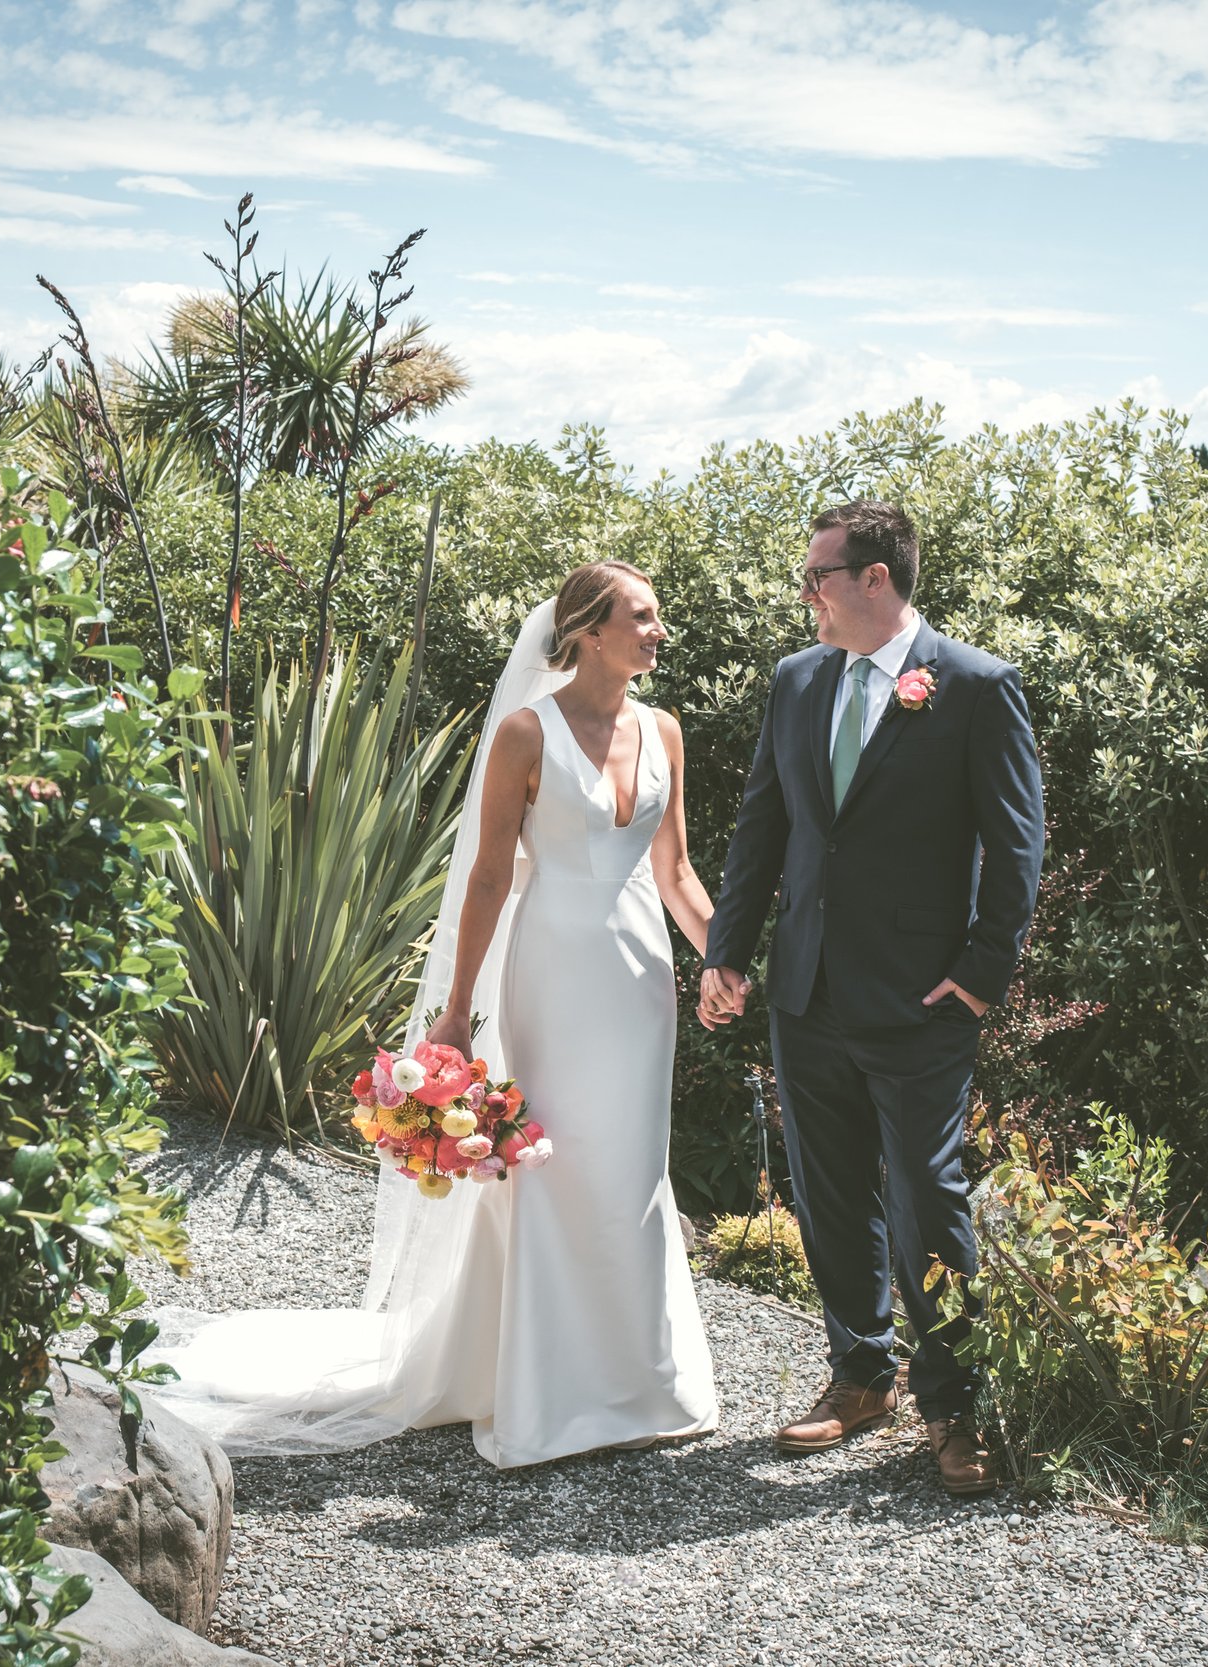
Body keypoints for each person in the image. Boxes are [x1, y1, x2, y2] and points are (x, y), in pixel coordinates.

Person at [147, 561, 719, 1467]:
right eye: (641, 616)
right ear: (586, 631)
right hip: (553, 979)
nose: (658, 631)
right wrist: (456, 1011)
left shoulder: (665, 730)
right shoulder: (527, 734)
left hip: (641, 984)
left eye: (656, 616)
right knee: (552, 1166)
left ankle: (642, 1383)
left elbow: (676, 871)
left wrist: (717, 959)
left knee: (634, 1171)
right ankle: (548, 1395)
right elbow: (489, 875)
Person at [699, 500, 1045, 1497]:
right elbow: (763, 821)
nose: (803, 592)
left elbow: (1016, 845)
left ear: (875, 580)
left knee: (928, 1199)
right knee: (829, 1189)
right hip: (805, 985)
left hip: (920, 999)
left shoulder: (977, 686)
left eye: (817, 574)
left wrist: (979, 976)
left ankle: (955, 1406)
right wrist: (729, 948)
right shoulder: (797, 679)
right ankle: (859, 1372)